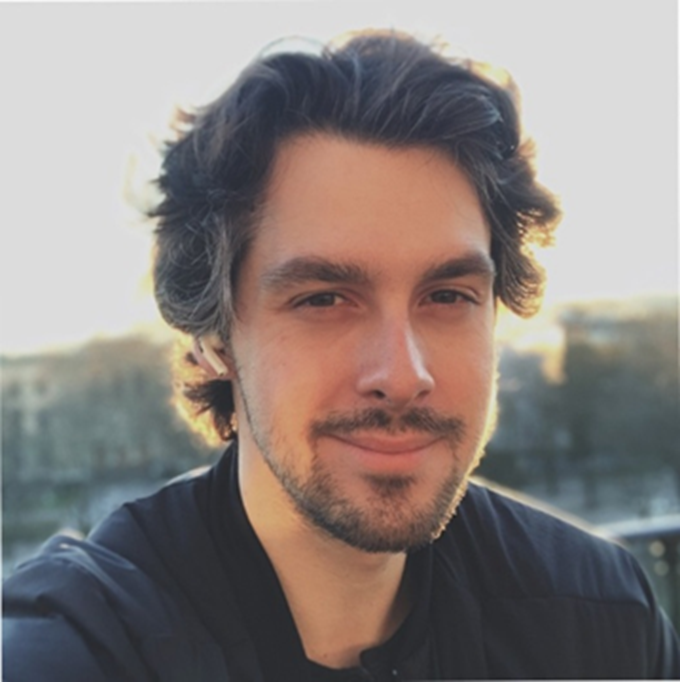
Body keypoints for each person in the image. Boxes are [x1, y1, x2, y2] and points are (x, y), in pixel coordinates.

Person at [4, 30, 679, 681]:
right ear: (214, 337)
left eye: (447, 295)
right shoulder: (80, 649)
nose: (403, 375)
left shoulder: (599, 625)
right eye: (324, 299)